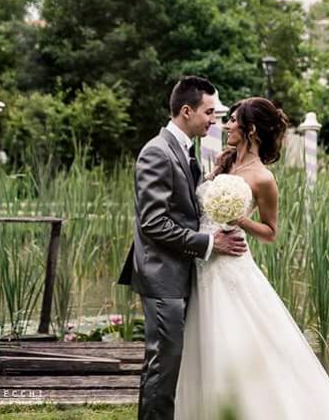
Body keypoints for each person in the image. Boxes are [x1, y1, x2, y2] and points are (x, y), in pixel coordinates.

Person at [175, 97, 329, 419]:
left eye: (234, 120)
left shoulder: (264, 178)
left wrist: (238, 218)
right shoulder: (224, 160)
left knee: (234, 341)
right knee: (203, 343)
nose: (228, 125)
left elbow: (271, 232)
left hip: (230, 264)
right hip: (203, 261)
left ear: (252, 130)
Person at [118, 75, 248, 420]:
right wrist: (209, 243)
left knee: (168, 361)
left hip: (179, 273)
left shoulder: (183, 150)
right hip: (162, 276)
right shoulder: (156, 152)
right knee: (163, 363)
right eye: (209, 112)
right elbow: (154, 223)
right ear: (186, 111)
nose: (214, 120)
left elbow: (184, 208)